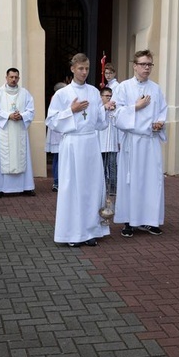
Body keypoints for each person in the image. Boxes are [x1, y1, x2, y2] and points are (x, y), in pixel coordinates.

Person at [47, 54, 109, 247]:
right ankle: (72, 233)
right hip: (72, 144)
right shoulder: (63, 94)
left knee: (92, 188)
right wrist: (70, 111)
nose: (84, 72)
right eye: (81, 68)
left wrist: (106, 109)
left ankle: (90, 231)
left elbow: (100, 123)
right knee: (73, 188)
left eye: (87, 69)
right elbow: (52, 121)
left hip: (91, 144)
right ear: (73, 68)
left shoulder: (93, 92)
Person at [113, 50, 169, 238]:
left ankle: (150, 220)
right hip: (133, 142)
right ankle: (129, 221)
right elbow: (117, 115)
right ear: (135, 65)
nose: (146, 68)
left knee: (152, 181)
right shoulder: (124, 87)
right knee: (131, 181)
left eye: (149, 64)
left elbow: (163, 110)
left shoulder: (156, 88)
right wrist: (136, 107)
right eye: (143, 64)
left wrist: (160, 123)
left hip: (150, 141)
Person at [0, 68, 36, 198]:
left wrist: (22, 116)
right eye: (11, 77)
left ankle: (25, 187)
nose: (14, 80)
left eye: (16, 77)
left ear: (18, 78)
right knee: (2, 157)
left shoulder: (25, 93)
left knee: (22, 156)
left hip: (19, 129)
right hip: (4, 130)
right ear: (6, 77)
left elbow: (31, 110)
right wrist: (8, 115)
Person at [45, 82, 67, 192]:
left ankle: (58, 181)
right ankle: (57, 181)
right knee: (58, 157)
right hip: (58, 131)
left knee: (58, 158)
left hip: (59, 131)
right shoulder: (57, 98)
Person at [98, 86, 119, 196]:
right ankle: (102, 187)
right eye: (106, 96)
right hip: (100, 143)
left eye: (110, 96)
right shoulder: (98, 109)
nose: (109, 98)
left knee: (112, 167)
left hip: (112, 143)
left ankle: (113, 188)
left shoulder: (115, 109)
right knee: (101, 167)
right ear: (101, 97)